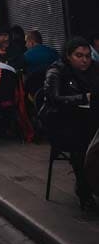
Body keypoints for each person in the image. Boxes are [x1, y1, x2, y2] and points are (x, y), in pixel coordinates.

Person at [42, 37, 99, 209]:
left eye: (88, 56)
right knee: (82, 142)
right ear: (68, 56)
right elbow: (53, 98)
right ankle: (84, 191)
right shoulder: (56, 71)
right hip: (63, 124)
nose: (84, 60)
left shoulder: (95, 70)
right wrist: (83, 98)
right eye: (79, 56)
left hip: (91, 121)